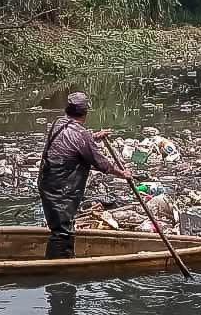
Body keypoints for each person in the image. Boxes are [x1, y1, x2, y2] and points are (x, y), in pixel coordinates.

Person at [38, 92, 132, 259]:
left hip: (47, 184)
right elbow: (102, 164)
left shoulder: (58, 123)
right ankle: (57, 271)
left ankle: (60, 262)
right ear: (85, 113)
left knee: (60, 228)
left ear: (67, 110)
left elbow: (74, 142)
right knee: (62, 233)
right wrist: (123, 174)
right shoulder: (81, 135)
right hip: (62, 190)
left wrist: (94, 137)